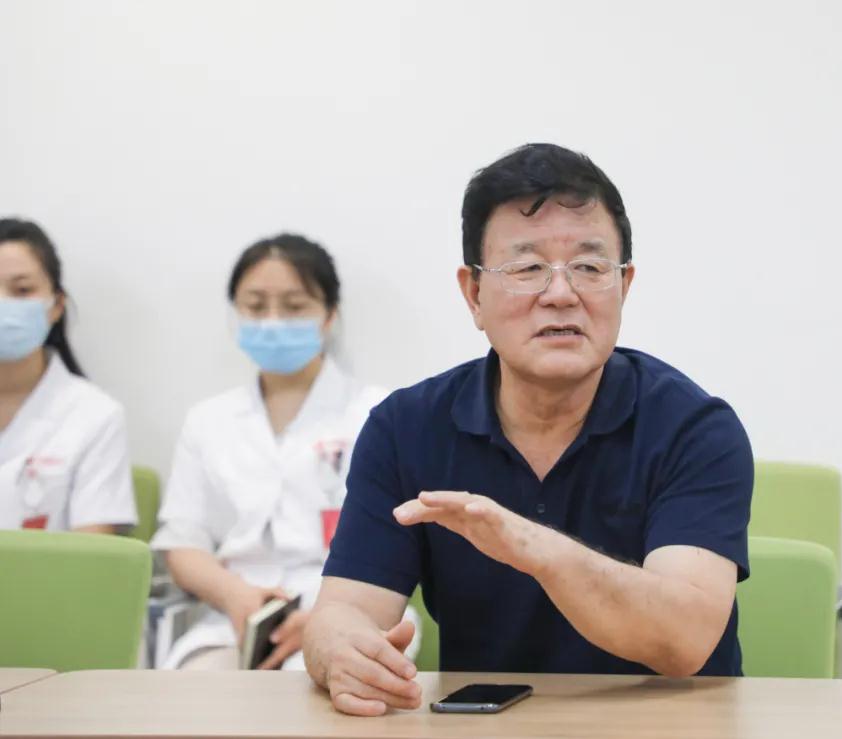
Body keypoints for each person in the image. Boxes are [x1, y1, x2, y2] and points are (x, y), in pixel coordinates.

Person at [303, 144, 755, 716]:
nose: (561, 294)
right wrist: (340, 651)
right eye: (527, 268)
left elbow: (684, 639)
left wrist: (533, 547)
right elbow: (342, 611)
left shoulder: (694, 428)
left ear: (624, 286)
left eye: (589, 268)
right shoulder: (405, 428)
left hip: (671, 727)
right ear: (474, 294)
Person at [151, 233, 405, 671]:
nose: (272, 321)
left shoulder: (378, 412)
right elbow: (183, 543)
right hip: (234, 619)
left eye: (293, 306)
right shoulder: (208, 420)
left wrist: (331, 615)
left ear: (329, 315)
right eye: (255, 306)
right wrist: (235, 596)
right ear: (236, 314)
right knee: (196, 687)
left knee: (318, 682)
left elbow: (401, 543)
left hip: (355, 612)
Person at [0, 217, 136, 533]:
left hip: (47, 570)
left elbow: (91, 554)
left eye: (22, 290)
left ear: (57, 305)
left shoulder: (95, 416)